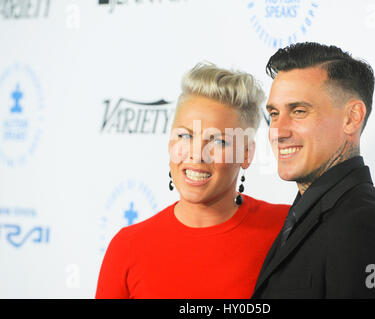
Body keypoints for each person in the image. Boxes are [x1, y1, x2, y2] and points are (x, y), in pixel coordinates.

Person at [96, 63, 289, 299]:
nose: (197, 154)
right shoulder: (127, 247)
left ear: (246, 154)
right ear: (170, 143)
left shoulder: (287, 230)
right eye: (185, 136)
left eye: (218, 141)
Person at [252, 42, 375, 298]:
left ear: (352, 118)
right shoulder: (306, 213)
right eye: (274, 114)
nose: (278, 131)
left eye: (298, 111)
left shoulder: (368, 227)